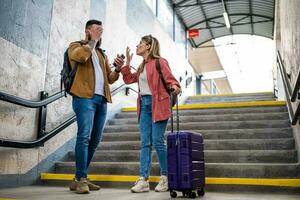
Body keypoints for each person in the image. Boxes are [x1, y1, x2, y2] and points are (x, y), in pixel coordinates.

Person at [67, 19, 124, 194]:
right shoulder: (76, 46)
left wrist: (118, 69)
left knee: (95, 139)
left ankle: (79, 177)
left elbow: (110, 78)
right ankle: (81, 178)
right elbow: (81, 57)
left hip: (101, 100)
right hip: (84, 98)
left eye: (102, 30)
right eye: (97, 29)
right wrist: (91, 41)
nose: (100, 32)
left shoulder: (101, 54)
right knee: (84, 136)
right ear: (87, 31)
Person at [120, 35, 181, 193]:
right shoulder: (141, 66)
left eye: (140, 43)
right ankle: (143, 180)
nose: (137, 45)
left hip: (159, 104)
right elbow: (128, 80)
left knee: (157, 141)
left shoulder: (160, 62)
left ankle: (166, 177)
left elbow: (171, 80)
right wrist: (127, 63)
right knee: (145, 143)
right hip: (145, 106)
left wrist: (175, 87)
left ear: (148, 46)